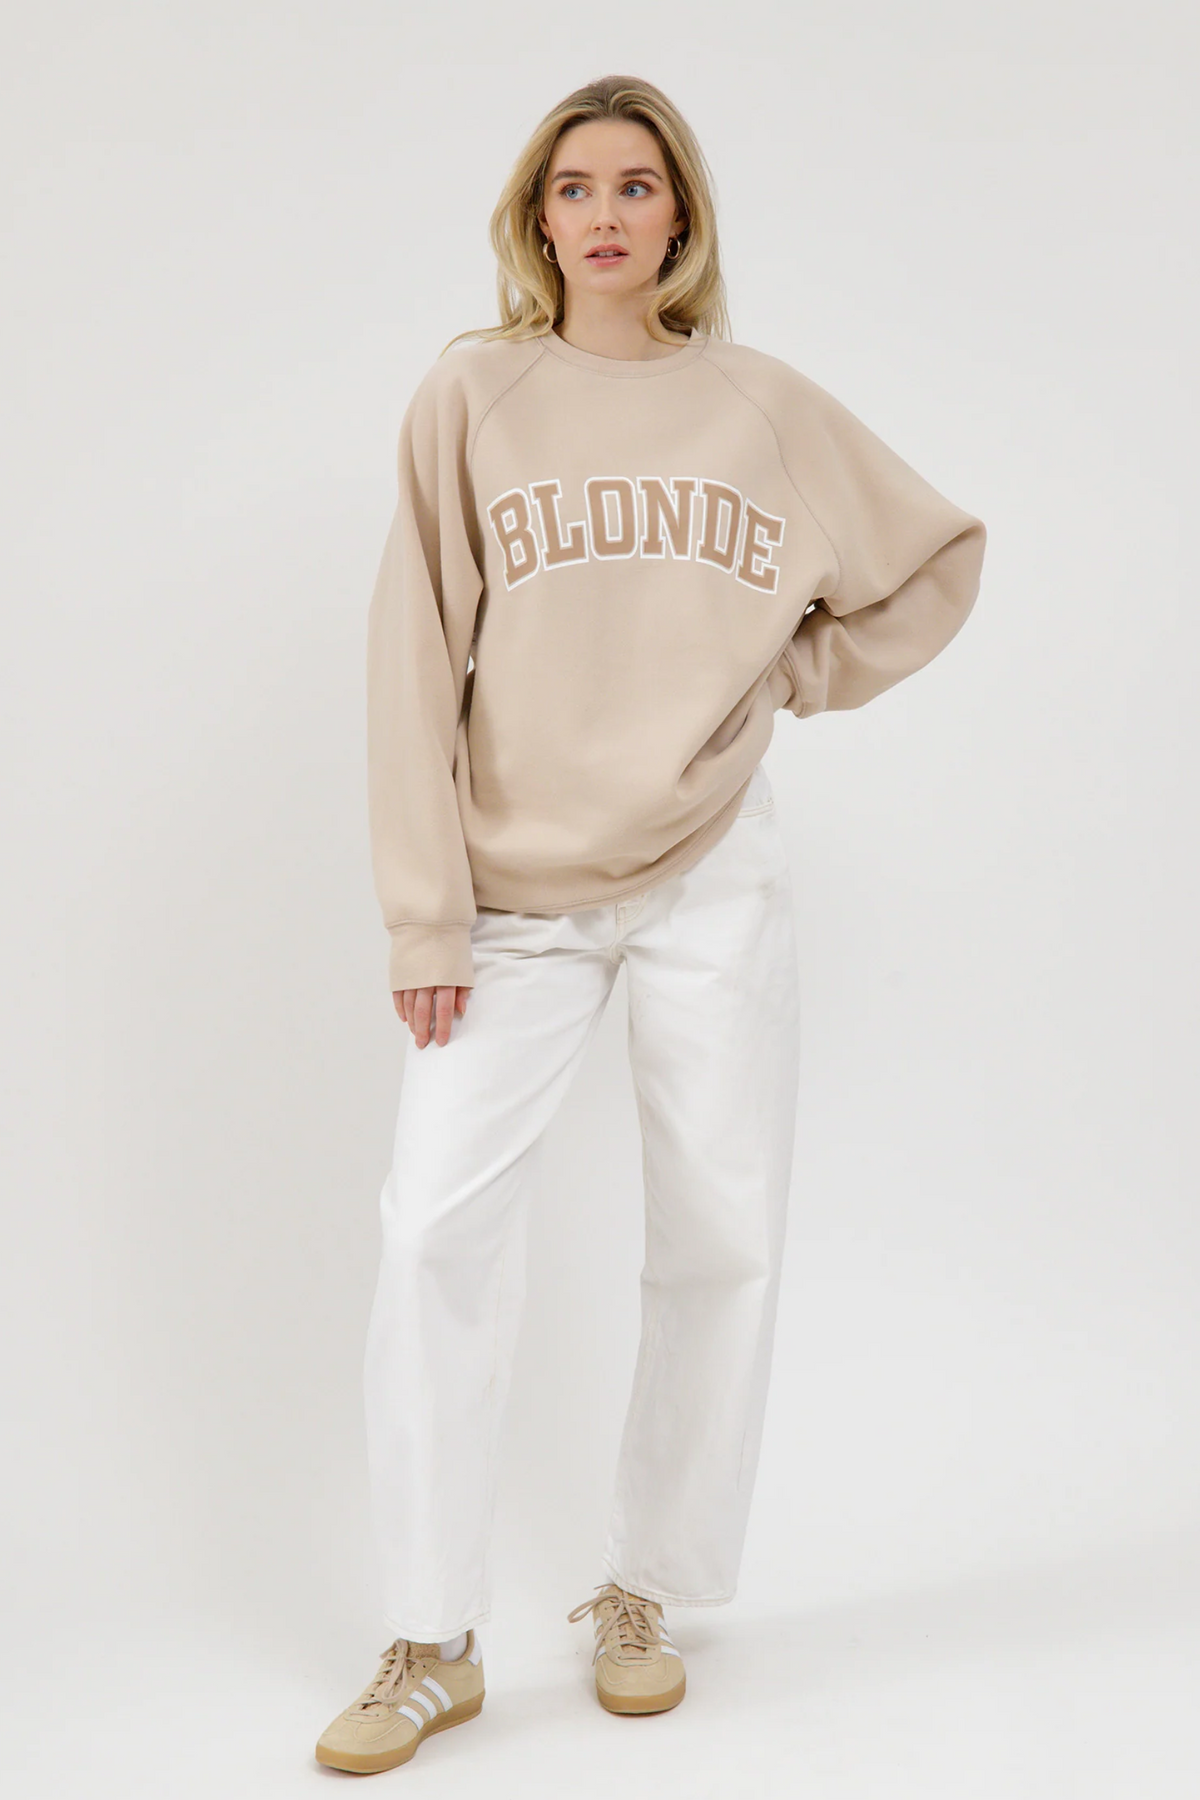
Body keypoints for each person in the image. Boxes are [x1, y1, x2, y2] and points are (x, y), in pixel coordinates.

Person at [315, 72, 987, 1774]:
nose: (604, 214)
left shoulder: (759, 406)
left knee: (719, 1229)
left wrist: (787, 678)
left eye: (635, 185)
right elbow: (413, 656)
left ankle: (646, 1589)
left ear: (680, 214)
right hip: (514, 896)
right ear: (535, 219)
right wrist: (425, 918)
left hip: (709, 874)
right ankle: (431, 1636)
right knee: (431, 1232)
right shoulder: (472, 395)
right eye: (573, 188)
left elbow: (937, 560)